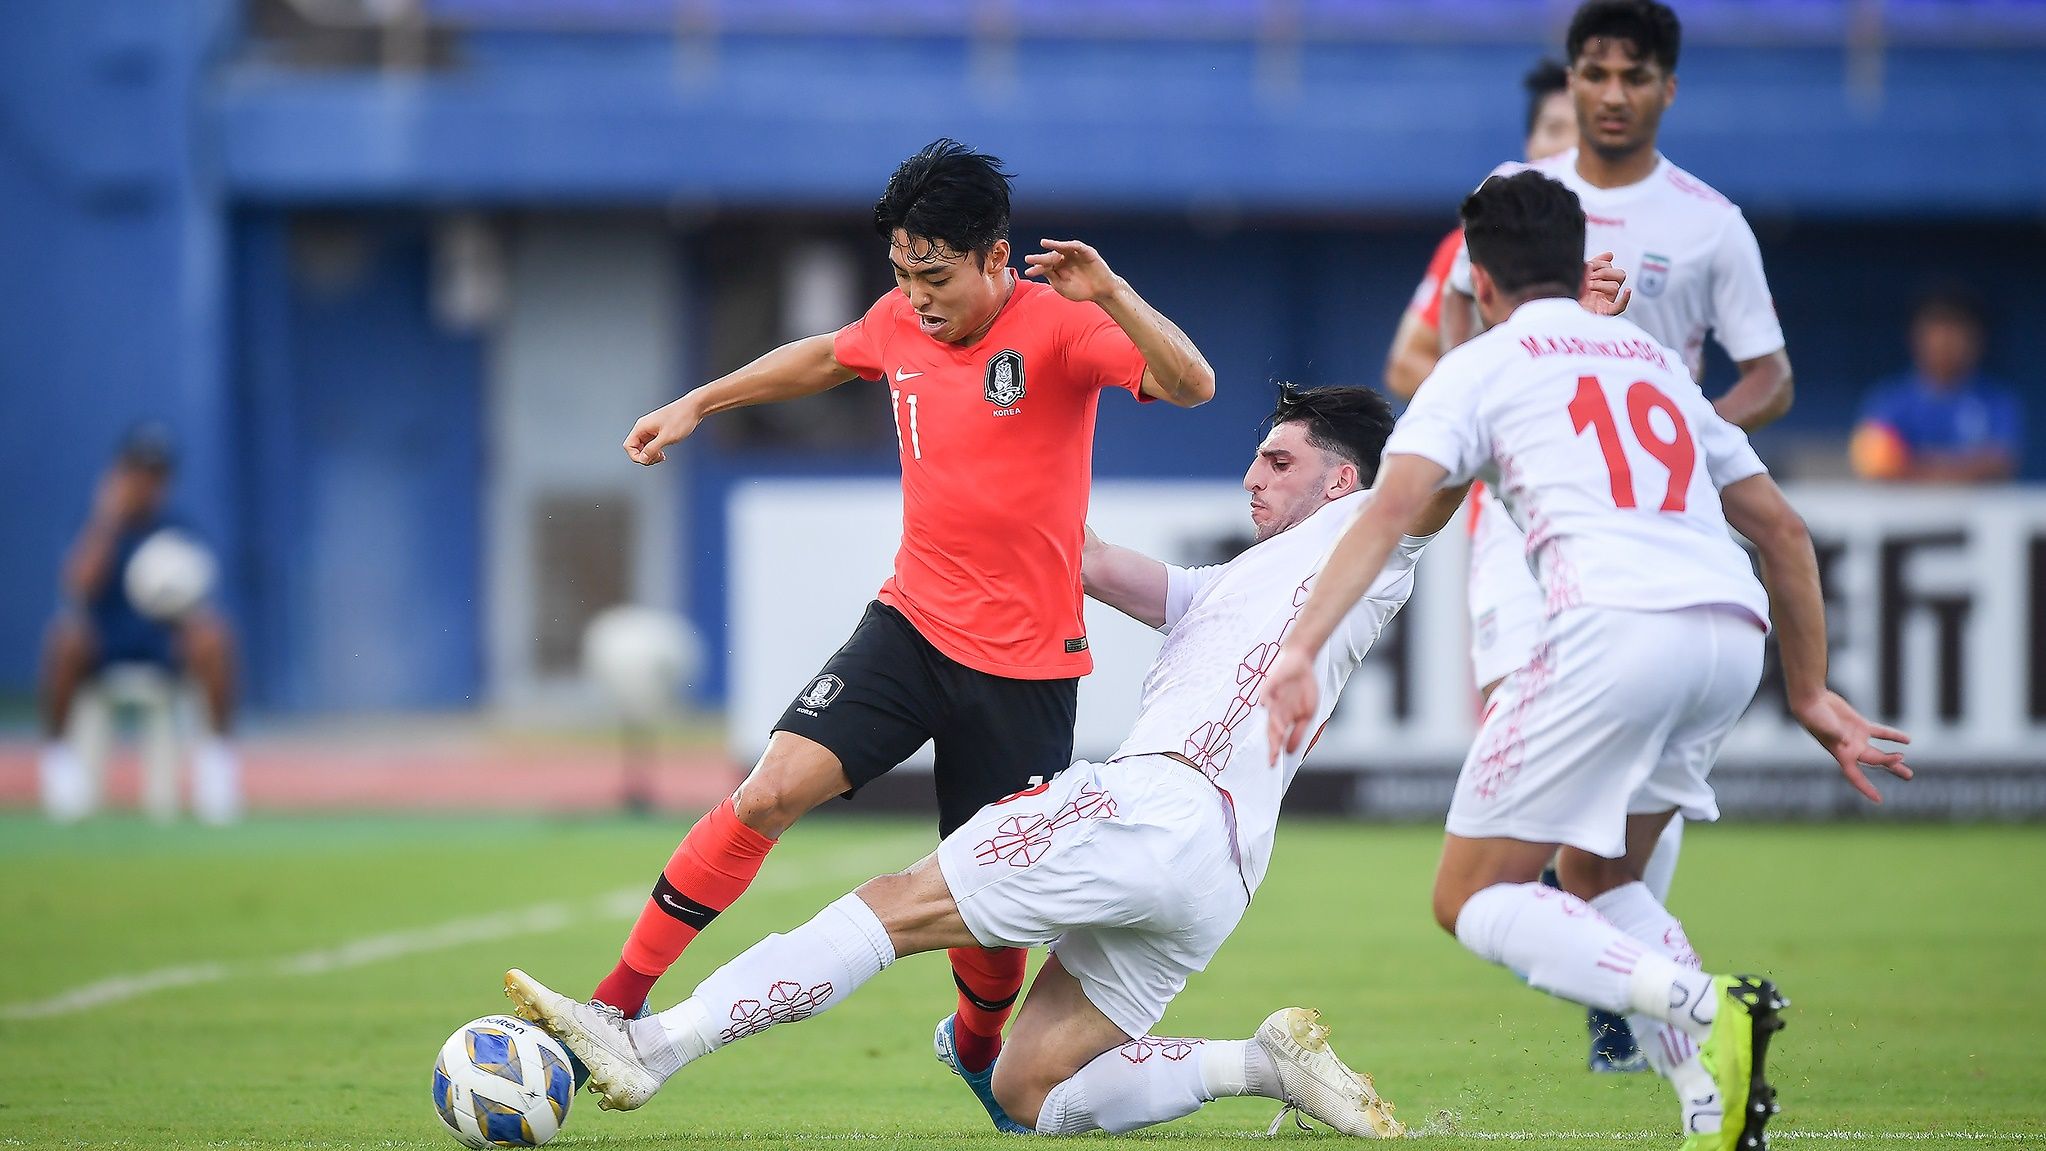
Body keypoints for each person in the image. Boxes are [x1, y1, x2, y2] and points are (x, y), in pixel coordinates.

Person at [503, 385, 1464, 1138]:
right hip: (1220, 868)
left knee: (891, 904)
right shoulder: (1222, 584)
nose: (1251, 475)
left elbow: (1449, 471)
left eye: (1278, 458)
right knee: (1029, 1088)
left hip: (1156, 805)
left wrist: (1535, 345)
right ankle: (1259, 1065)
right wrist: (1003, 429)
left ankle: (652, 1046)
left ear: (1342, 480)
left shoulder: (1375, 528)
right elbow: (1075, 554)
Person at [567, 139, 1215, 1120]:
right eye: (903, 273)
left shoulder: (1064, 329)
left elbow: (1193, 382)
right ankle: (613, 1005)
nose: (916, 296)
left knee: (990, 906)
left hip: (1027, 670)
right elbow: (828, 355)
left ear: (998, 258)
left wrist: (1113, 294)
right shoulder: (898, 321)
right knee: (770, 789)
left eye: (937, 274)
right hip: (909, 626)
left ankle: (978, 1046)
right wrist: (698, 399)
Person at [1265, 171, 1911, 1151]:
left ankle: (1702, 1000)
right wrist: (1812, 690)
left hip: (1612, 629)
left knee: (1471, 895)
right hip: (1730, 636)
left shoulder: (1482, 364)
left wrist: (1302, 646)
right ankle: (1710, 1103)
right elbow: (1781, 530)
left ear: (1480, 280)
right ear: (1580, 264)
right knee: (1602, 875)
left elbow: (1396, 510)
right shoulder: (1653, 358)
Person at [1436, 0, 1796, 1072]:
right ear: (1574, 82)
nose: (1608, 93)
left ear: (1663, 88)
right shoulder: (1525, 205)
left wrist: (1691, 434)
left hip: (1649, 521)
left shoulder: (1707, 221)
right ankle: (1671, 1038)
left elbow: (1771, 371)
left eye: (1631, 75)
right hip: (1526, 521)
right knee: (1553, 777)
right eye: (1591, 73)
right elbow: (1457, 315)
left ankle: (1626, 996)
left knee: (1563, 843)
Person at [38, 423, 241, 823]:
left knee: (216, 636)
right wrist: (108, 520)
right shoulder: (95, 525)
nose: (147, 483)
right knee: (64, 638)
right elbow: (76, 585)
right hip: (107, 642)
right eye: (138, 472)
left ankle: (216, 767)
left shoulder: (179, 529)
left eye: (157, 474)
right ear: (120, 472)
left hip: (161, 643)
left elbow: (199, 600)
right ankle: (61, 765)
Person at [1382, 58, 1576, 402]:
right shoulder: (1474, 243)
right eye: (1555, 130)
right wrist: (1494, 408)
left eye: (1582, 136)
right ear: (1530, 144)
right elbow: (1406, 364)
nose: (1567, 150)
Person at [1850, 286, 2023, 483]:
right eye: (1936, 331)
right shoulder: (1888, 399)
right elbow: (1874, 463)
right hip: (1904, 511)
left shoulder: (1996, 400)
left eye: (1956, 331)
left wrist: (1916, 467)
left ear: (1976, 339)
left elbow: (1999, 463)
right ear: (1916, 337)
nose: (1945, 343)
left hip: (1974, 510)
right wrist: (1957, 468)